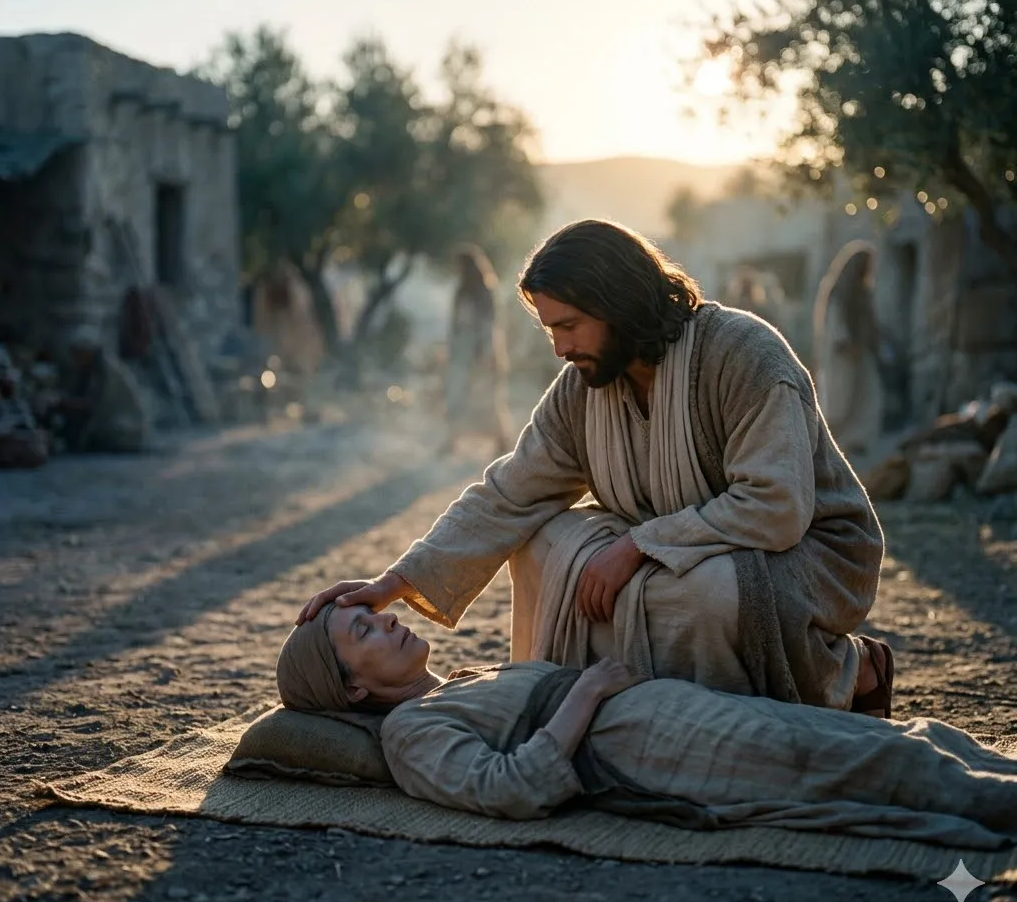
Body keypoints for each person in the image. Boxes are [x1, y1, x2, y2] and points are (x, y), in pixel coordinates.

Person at [300, 220, 889, 717]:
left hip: (804, 554)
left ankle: (845, 671)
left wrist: (637, 545)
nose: (559, 348)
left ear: (618, 305)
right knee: (542, 547)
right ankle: (575, 713)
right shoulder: (583, 387)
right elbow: (510, 492)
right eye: (550, 330)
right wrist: (396, 581)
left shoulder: (743, 355)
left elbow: (776, 506)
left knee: (707, 595)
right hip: (682, 547)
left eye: (568, 326)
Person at [274, 607, 1017, 847]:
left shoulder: (462, 681)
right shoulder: (409, 734)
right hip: (648, 751)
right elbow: (508, 789)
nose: (388, 621)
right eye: (365, 631)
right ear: (353, 687)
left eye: (375, 614)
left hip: (668, 710)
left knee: (886, 737)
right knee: (846, 764)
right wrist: (587, 692)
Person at [813, 241, 885, 457]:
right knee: (839, 403)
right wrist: (847, 344)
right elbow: (835, 325)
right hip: (842, 357)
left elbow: (869, 323)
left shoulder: (863, 292)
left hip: (862, 354)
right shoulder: (839, 291)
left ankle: (857, 443)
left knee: (870, 395)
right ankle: (830, 449)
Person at [443, 244, 511, 455]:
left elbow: (489, 325)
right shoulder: (461, 291)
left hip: (482, 353)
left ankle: (502, 441)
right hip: (462, 353)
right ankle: (451, 440)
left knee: (488, 399)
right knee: (455, 396)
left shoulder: (484, 292)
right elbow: (455, 325)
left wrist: (485, 352)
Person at [57, 325, 149, 453]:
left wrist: (65, 403)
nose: (76, 358)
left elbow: (95, 405)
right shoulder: (87, 371)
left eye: (79, 353)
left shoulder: (107, 372)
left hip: (123, 430)